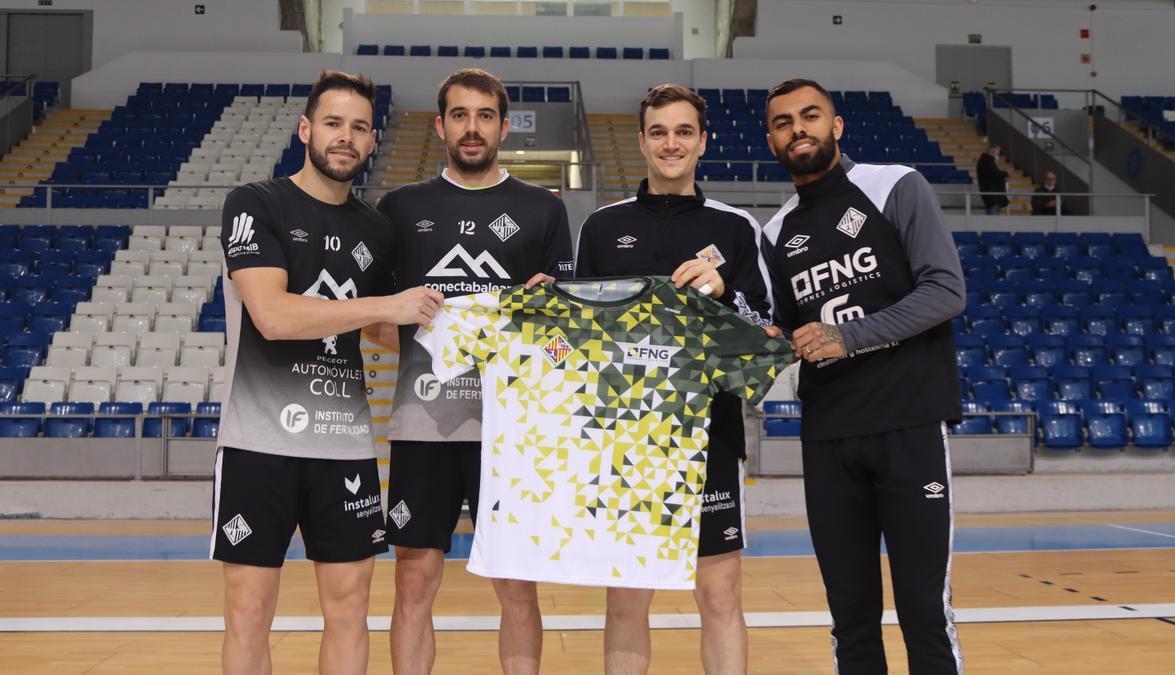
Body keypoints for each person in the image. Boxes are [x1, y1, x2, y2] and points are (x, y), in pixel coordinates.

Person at [212, 70, 444, 675]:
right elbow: (271, 315)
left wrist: (501, 323)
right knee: (249, 608)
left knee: (350, 609)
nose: (346, 137)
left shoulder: (378, 229)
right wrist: (384, 307)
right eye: (334, 123)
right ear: (306, 128)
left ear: (372, 141)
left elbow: (386, 332)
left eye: (360, 127)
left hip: (344, 446)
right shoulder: (255, 203)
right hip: (258, 442)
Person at [757, 78, 966, 674]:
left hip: (909, 426)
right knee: (850, 619)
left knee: (924, 610)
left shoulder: (894, 185)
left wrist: (848, 336)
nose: (798, 128)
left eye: (810, 115)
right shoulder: (775, 235)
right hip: (828, 439)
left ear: (837, 125)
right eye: (783, 122)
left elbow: (947, 291)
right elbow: (783, 335)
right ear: (771, 141)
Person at [372, 67, 574, 675]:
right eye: (459, 115)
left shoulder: (543, 209)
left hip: (514, 431)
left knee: (516, 584)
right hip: (423, 422)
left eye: (484, 116)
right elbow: (374, 321)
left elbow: (566, 341)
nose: (472, 127)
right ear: (439, 126)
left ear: (504, 127)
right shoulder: (400, 208)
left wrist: (550, 317)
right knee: (413, 578)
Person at [574, 83, 772, 675]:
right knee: (627, 599)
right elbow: (577, 336)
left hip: (711, 437)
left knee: (718, 595)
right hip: (624, 441)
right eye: (658, 132)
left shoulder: (736, 229)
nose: (670, 143)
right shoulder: (603, 228)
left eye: (683, 131)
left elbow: (767, 333)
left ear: (703, 141)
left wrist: (725, 292)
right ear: (640, 141)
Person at [975, 144, 1009, 215]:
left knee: (991, 214)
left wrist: (1003, 178)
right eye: (998, 152)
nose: (998, 155)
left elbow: (992, 175)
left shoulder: (986, 160)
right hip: (992, 195)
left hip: (991, 194)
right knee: (992, 216)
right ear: (992, 151)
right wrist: (1006, 173)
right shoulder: (987, 161)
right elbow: (994, 174)